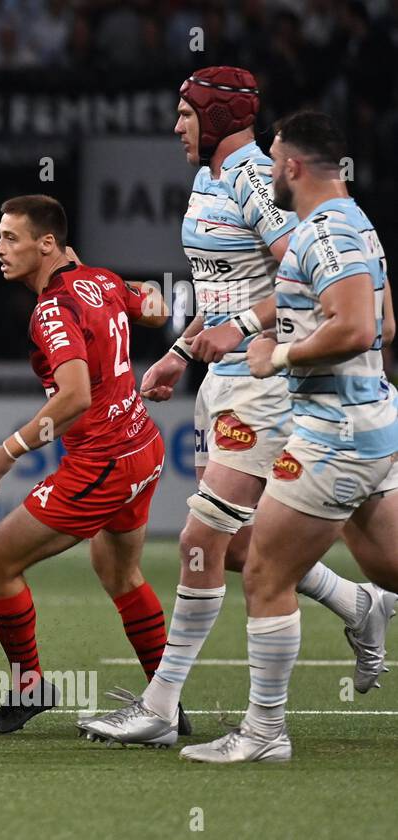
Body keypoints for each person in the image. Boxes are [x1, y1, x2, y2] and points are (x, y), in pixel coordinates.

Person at [83, 69, 394, 747]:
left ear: (219, 116)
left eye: (186, 114)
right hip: (228, 377)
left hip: (268, 384)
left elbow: (306, 281)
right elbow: (222, 290)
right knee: (246, 548)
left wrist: (251, 337)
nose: (176, 127)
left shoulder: (260, 180)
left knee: (202, 541)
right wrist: (184, 352)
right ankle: (358, 601)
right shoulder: (206, 183)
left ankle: (169, 708)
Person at [181, 111, 396, 763]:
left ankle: (265, 732)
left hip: (331, 433)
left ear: (294, 167)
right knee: (388, 569)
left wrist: (279, 354)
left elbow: (359, 328)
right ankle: (364, 612)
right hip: (368, 422)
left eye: (273, 161)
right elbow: (385, 320)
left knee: (264, 570)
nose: (268, 172)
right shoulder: (354, 224)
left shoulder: (324, 233)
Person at [0, 194, 172, 735]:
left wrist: (7, 450)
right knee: (120, 572)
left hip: (103, 462)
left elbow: (75, 396)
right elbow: (156, 307)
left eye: (10, 238)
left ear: (47, 244)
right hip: (142, 448)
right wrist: (147, 303)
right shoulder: (102, 280)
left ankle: (29, 687)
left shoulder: (52, 308)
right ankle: (166, 703)